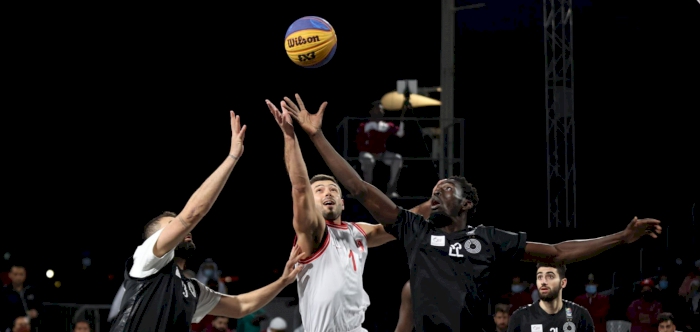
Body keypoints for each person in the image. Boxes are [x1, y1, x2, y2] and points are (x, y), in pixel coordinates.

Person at [281, 93, 663, 332]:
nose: (437, 191)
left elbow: (559, 252)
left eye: (446, 189)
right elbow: (360, 189)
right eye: (434, 189)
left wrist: (620, 237)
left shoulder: (488, 239)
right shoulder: (413, 229)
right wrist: (316, 136)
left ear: (466, 204)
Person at [109, 111, 305, 332]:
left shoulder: (191, 289)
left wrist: (283, 281)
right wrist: (232, 156)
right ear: (155, 239)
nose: (184, 228)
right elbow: (192, 214)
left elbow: (241, 306)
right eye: (171, 225)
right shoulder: (147, 260)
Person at [266, 100, 430, 332]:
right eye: (320, 191)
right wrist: (290, 135)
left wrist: (431, 204)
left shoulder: (358, 232)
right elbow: (300, 188)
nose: (328, 192)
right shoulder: (312, 232)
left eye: (333, 189)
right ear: (310, 205)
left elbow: (402, 223)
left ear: (342, 203)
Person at [508, 263, 594, 332]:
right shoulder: (520, 317)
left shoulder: (579, 315)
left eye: (550, 276)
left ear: (563, 283)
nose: (543, 282)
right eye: (540, 277)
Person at [356, 101, 405, 197]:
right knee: (368, 159)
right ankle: (367, 190)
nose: (380, 111)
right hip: (367, 153)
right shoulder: (364, 126)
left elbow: (400, 134)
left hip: (382, 154)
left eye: (381, 109)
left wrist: (403, 120)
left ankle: (391, 189)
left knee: (397, 158)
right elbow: (358, 142)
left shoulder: (386, 126)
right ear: (371, 111)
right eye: (377, 109)